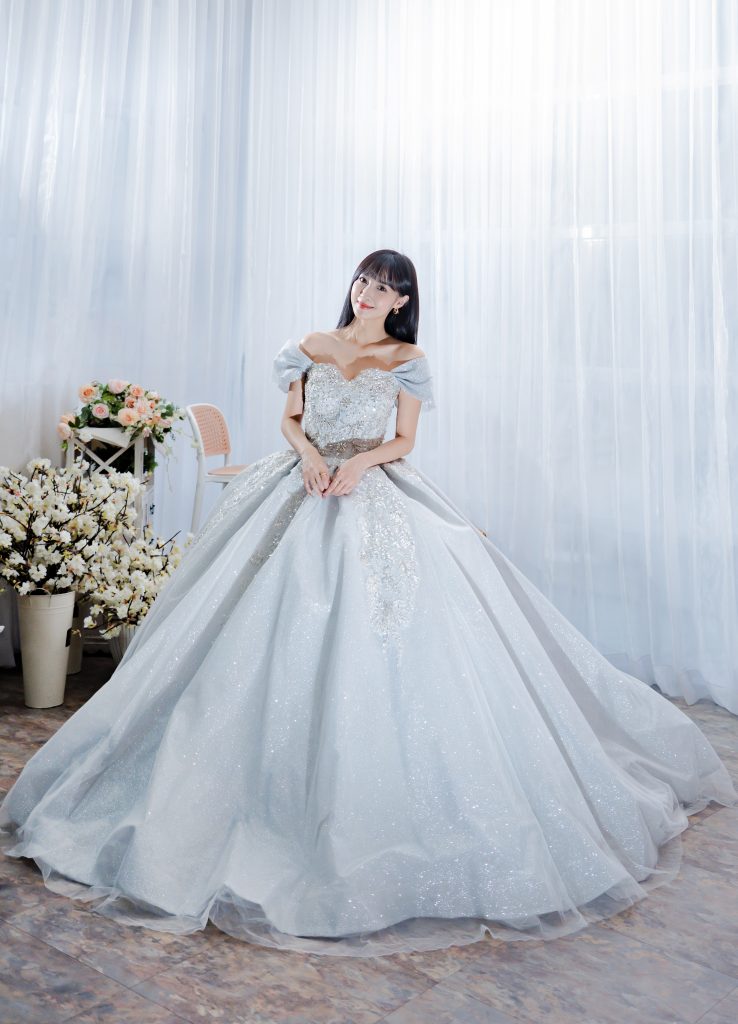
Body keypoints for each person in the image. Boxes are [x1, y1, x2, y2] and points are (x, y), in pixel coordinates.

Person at [1, 249, 735, 959]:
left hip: (369, 487)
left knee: (383, 624)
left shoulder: (407, 360)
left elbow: (404, 440)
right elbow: (290, 420)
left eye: (383, 287)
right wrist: (308, 455)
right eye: (362, 281)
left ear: (403, 300)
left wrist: (357, 463)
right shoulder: (308, 346)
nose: (367, 293)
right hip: (301, 479)